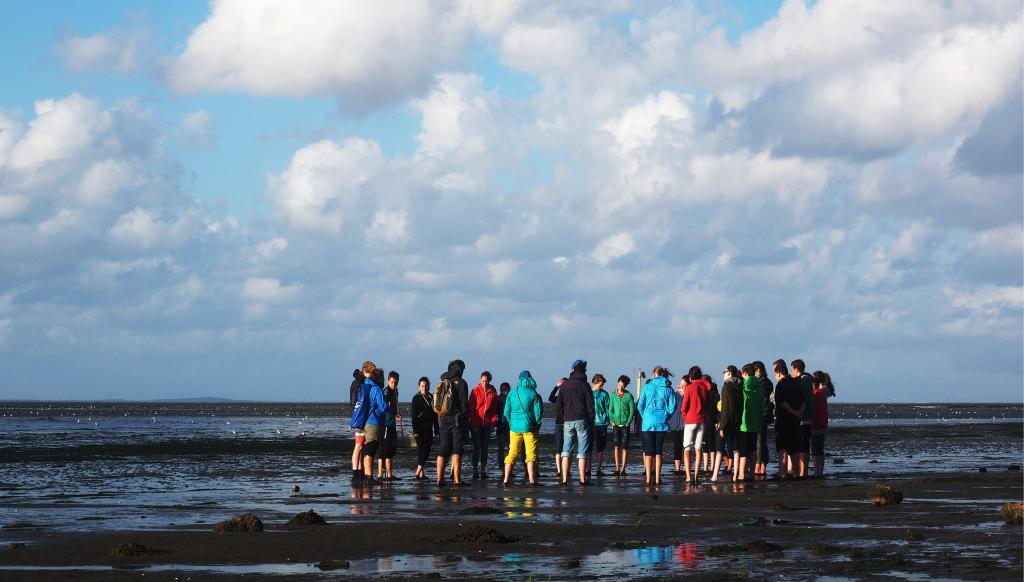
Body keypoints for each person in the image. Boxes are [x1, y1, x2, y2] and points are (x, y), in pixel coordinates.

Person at [556, 360, 595, 486]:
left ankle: (564, 479)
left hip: (568, 420)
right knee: (582, 450)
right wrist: (592, 420)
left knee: (566, 450)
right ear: (583, 370)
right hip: (582, 419)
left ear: (573, 370)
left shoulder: (565, 385)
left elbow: (559, 404)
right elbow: (590, 404)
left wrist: (563, 417)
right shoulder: (585, 385)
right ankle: (582, 479)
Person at [636, 366, 677, 486]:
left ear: (654, 373)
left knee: (648, 452)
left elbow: (640, 405)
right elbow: (672, 406)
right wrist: (666, 416)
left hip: (648, 422)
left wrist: (645, 416)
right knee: (658, 451)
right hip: (661, 422)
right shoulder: (668, 388)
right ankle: (658, 478)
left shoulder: (647, 386)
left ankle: (648, 478)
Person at [503, 371, 544, 486]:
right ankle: (532, 480)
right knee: (531, 454)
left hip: (514, 428)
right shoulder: (533, 393)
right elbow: (538, 414)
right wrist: (537, 425)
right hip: (529, 428)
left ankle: (506, 480)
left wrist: (512, 424)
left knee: (512, 453)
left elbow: (506, 412)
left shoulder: (512, 393)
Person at [436, 359, 470, 486]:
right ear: (460, 369)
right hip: (457, 420)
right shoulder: (461, 383)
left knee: (443, 449)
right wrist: (466, 419)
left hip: (442, 419)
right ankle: (456, 479)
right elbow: (464, 405)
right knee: (456, 450)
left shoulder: (443, 381)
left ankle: (439, 479)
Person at [772, 360, 804, 479]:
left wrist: (793, 412)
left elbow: (781, 402)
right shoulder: (796, 383)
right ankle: (795, 472)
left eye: (775, 375)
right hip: (795, 421)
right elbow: (803, 400)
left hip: (784, 419)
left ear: (779, 374)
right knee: (794, 447)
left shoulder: (781, 384)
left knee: (782, 447)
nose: (775, 378)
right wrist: (799, 412)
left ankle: (782, 472)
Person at [681, 367, 711, 484]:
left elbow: (684, 407)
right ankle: (696, 477)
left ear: (690, 376)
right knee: (699, 450)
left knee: (687, 449)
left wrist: (685, 416)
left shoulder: (689, 387)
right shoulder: (705, 388)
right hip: (702, 421)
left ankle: (688, 477)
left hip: (690, 420)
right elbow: (708, 405)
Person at [734, 364, 764, 482]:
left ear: (745, 373)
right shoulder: (759, 387)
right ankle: (751, 474)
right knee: (752, 449)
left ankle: (741, 474)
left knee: (743, 451)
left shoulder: (743, 387)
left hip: (744, 423)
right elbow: (762, 407)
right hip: (755, 423)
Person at [361, 368, 391, 484]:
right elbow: (383, 406)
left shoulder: (367, 387)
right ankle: (369, 477)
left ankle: (367, 476)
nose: (383, 380)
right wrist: (391, 411)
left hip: (367, 421)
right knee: (370, 449)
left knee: (368, 448)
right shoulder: (377, 389)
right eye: (382, 378)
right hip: (374, 422)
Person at [469, 371, 498, 480]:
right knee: (477, 447)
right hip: (476, 424)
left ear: (489, 380)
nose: (484, 383)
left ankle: (483, 470)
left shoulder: (492, 391)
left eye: (486, 381)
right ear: (480, 380)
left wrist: (493, 423)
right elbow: (471, 409)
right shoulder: (475, 391)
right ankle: (475, 470)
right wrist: (473, 424)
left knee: (485, 447)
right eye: (483, 381)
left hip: (487, 424)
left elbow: (494, 410)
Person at [717, 365, 743, 478]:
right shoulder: (740, 385)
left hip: (727, 422)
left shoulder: (727, 386)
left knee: (719, 447)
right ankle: (735, 475)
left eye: (725, 371)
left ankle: (714, 476)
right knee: (736, 448)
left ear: (730, 373)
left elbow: (726, 408)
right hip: (737, 421)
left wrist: (722, 426)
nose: (723, 373)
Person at [411, 376, 439, 481]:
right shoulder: (416, 398)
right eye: (422, 386)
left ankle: (422, 474)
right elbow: (413, 416)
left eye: (426, 386)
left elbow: (435, 416)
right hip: (419, 428)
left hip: (429, 428)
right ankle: (417, 472)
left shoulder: (432, 397)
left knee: (426, 451)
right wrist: (415, 431)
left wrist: (436, 429)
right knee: (423, 450)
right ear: (419, 387)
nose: (424, 388)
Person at [376, 370, 402, 480]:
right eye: (392, 382)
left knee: (391, 449)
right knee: (383, 449)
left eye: (395, 383)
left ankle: (389, 474)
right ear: (388, 381)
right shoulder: (385, 391)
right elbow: (382, 408)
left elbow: (395, 406)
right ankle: (380, 474)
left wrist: (397, 414)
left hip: (392, 424)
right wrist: (394, 414)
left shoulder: (396, 391)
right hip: (384, 424)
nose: (393, 385)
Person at [608, 375, 635, 476]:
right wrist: (612, 421)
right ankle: (617, 468)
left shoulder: (629, 396)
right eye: (619, 385)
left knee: (624, 447)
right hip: (615, 424)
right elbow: (610, 410)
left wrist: (628, 423)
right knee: (616, 446)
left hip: (625, 425)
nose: (620, 387)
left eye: (623, 386)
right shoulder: (613, 395)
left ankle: (623, 469)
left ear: (626, 386)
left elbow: (632, 411)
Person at [791, 359, 814, 478]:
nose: (792, 372)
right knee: (805, 446)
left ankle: (802, 472)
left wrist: (799, 413)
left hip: (802, 419)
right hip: (808, 418)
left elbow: (803, 399)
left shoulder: (803, 381)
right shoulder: (809, 381)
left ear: (796, 369)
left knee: (801, 447)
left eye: (792, 370)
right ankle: (803, 471)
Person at [753, 361, 774, 476]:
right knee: (763, 441)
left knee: (759, 441)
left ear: (758, 370)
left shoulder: (760, 382)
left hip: (761, 414)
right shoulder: (769, 382)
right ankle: (763, 465)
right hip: (767, 414)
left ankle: (759, 464)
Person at [589, 374, 611, 477]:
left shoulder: (605, 394)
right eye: (600, 385)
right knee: (588, 447)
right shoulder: (588, 392)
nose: (602, 387)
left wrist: (607, 421)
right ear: (595, 382)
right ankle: (588, 469)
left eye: (603, 385)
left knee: (600, 447)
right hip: (590, 423)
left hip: (602, 423)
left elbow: (608, 409)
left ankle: (598, 469)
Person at [811, 370, 830, 478]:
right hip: (823, 423)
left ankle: (816, 471)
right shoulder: (823, 392)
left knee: (815, 450)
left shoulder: (814, 393)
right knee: (820, 449)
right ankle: (820, 471)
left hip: (815, 423)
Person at [701, 375, 720, 480]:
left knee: (706, 444)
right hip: (712, 419)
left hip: (706, 419)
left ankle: (706, 468)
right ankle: (711, 466)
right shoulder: (715, 391)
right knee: (711, 444)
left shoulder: (707, 391)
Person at [548, 378, 567, 481]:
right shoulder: (558, 397)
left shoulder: (569, 396)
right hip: (559, 424)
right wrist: (556, 386)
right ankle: (559, 470)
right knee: (558, 448)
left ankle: (566, 469)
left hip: (568, 423)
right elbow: (550, 398)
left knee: (568, 449)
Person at [348, 368, 366, 480]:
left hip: (358, 417)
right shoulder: (359, 383)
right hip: (360, 418)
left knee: (360, 446)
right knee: (359, 446)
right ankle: (356, 471)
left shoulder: (356, 382)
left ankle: (359, 470)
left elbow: (352, 402)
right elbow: (355, 401)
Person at [668, 375, 687, 476]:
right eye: (681, 386)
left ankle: (685, 467)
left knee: (686, 447)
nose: (682, 388)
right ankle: (677, 468)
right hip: (674, 424)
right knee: (677, 446)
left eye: (684, 386)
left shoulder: (688, 395)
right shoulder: (674, 395)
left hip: (685, 425)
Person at [495, 382, 511, 473]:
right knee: (510, 449)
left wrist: (496, 424)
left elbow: (494, 413)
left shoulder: (497, 399)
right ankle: (509, 470)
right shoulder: (510, 399)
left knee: (501, 449)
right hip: (509, 427)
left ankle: (502, 470)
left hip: (500, 427)